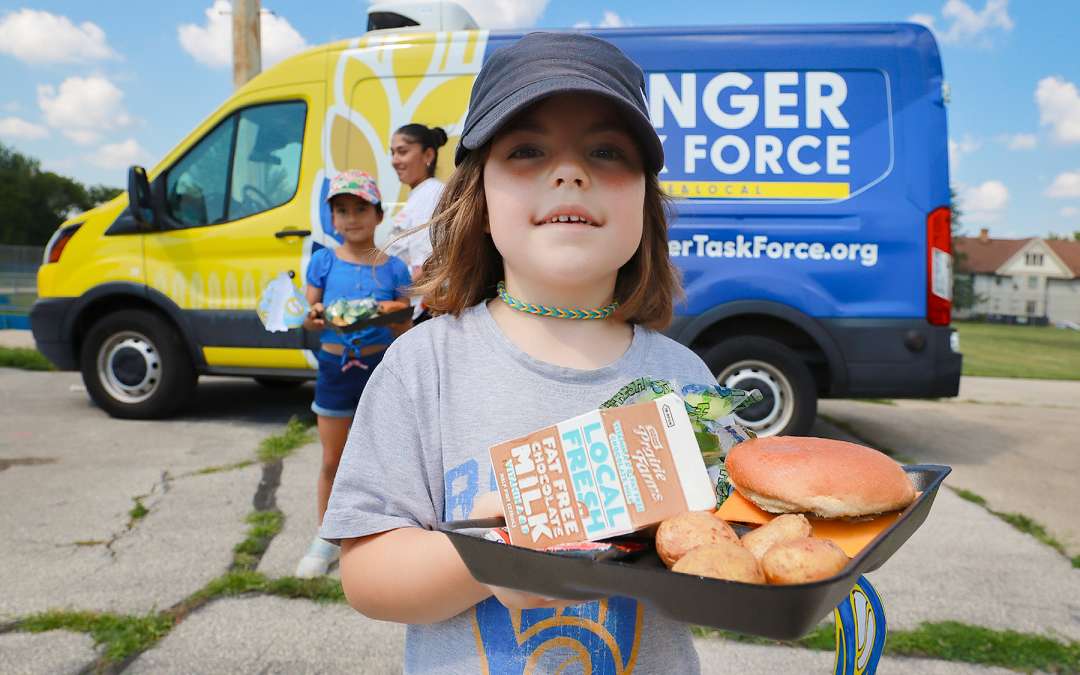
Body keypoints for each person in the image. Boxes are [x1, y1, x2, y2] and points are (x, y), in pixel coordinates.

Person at [321, 33, 713, 673]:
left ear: (645, 201)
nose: (569, 172)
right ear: (478, 200)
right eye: (527, 150)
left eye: (607, 151)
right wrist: (489, 554)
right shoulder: (425, 368)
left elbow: (719, 563)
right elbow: (366, 576)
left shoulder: (684, 379)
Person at [294, 170, 412, 579]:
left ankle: (384, 535)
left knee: (388, 460)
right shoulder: (323, 261)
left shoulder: (395, 267)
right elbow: (309, 317)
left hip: (381, 371)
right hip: (333, 369)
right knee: (332, 459)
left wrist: (396, 314)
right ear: (332, 219)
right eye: (341, 210)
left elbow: (406, 328)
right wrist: (313, 316)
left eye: (360, 209)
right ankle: (325, 539)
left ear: (378, 214)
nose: (351, 218)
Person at [387, 123, 448, 322]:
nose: (394, 161)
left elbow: (428, 264)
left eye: (402, 152)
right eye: (392, 153)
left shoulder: (432, 193)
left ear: (428, 156)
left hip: (422, 310)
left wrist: (393, 298)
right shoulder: (420, 194)